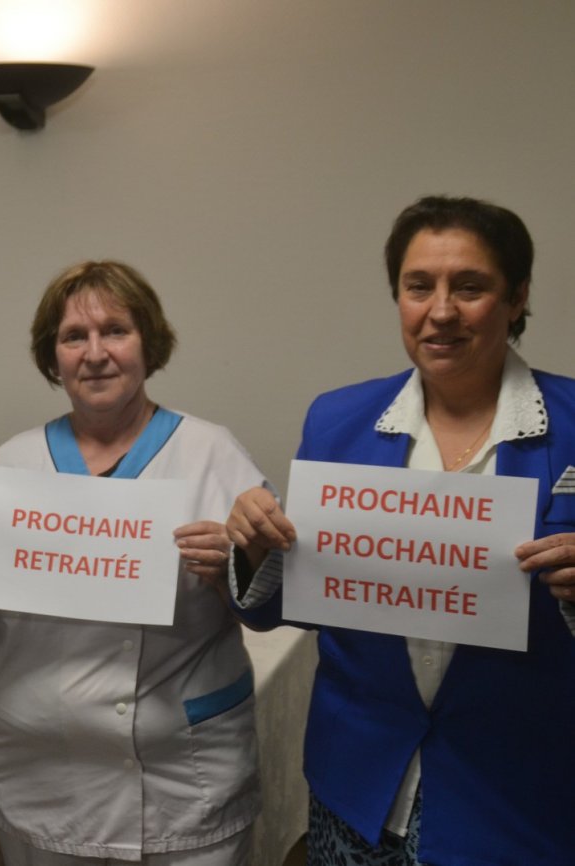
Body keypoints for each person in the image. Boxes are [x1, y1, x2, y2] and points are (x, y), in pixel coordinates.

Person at [226, 195, 575, 864]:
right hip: (358, 786)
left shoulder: (573, 423)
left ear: (517, 297)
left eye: (469, 287)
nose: (440, 311)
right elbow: (283, 606)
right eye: (419, 287)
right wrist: (255, 547)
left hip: (520, 796)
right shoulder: (338, 421)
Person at [0, 260, 268, 865]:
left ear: (148, 343)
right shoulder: (12, 464)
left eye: (115, 330)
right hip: (44, 776)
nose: (95, 353)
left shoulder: (212, 454)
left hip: (180, 778)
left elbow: (263, 607)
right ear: (53, 355)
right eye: (74, 337)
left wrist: (231, 568)